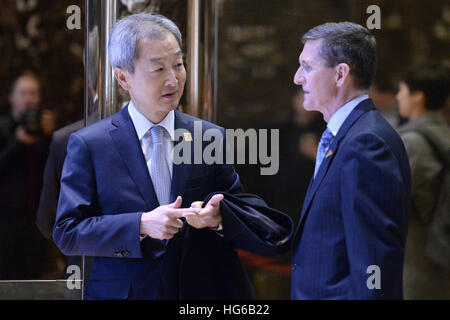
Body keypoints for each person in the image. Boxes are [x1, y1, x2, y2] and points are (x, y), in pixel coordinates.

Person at [53, 13, 293, 300]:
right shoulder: (90, 144)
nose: (173, 79)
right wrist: (140, 223)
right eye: (158, 69)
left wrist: (217, 216)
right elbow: (68, 231)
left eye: (178, 65)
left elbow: (238, 205)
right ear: (122, 77)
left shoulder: (207, 136)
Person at [290, 22, 411, 299]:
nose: (298, 78)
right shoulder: (349, 134)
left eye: (307, 66)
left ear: (340, 74)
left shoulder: (365, 143)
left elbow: (375, 263)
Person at [395, 62, 450, 299]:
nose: (398, 96)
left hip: (417, 256)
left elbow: (389, 198)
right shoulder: (444, 133)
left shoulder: (412, 142)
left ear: (418, 97)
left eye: (402, 90)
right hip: (441, 249)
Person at [0, 71, 56, 279]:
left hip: (37, 222)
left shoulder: (46, 133)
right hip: (5, 221)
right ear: (12, 98)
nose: (28, 99)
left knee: (33, 277)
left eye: (33, 94)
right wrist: (17, 143)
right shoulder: (3, 128)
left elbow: (57, 171)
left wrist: (51, 137)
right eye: (23, 93)